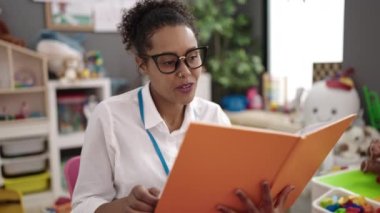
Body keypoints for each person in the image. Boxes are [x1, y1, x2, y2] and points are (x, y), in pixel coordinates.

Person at [72, 0, 294, 212]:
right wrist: (121, 207)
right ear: (142, 64)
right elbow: (83, 204)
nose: (186, 72)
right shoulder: (110, 118)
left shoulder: (214, 116)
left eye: (193, 56)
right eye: (169, 62)